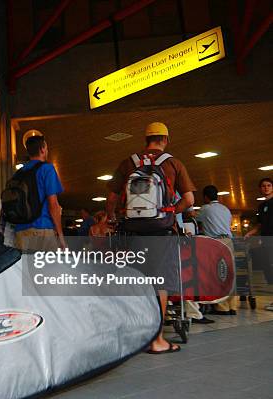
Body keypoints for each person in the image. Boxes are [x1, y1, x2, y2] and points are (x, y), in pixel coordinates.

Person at [106, 122, 195, 354]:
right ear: (165, 139)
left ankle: (137, 335)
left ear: (146, 140)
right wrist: (170, 212)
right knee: (160, 284)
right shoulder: (173, 163)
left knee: (136, 282)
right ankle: (156, 340)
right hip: (161, 233)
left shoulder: (129, 162)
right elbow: (189, 200)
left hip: (132, 232)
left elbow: (112, 197)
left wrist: (112, 218)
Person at [14, 135, 65, 251]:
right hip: (42, 228)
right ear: (42, 149)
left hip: (20, 231)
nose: (47, 151)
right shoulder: (47, 169)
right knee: (49, 268)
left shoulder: (18, 173)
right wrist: (61, 236)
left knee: (27, 269)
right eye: (46, 148)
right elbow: (53, 205)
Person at [196, 185, 237, 315]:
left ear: (205, 197)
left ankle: (222, 307)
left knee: (218, 274)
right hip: (229, 242)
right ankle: (233, 306)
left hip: (216, 243)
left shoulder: (205, 209)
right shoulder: (226, 209)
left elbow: (192, 216)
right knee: (230, 273)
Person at [245, 177, 273, 311]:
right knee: (268, 269)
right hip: (266, 242)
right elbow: (260, 224)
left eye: (269, 185)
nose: (266, 188)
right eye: (263, 186)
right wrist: (250, 233)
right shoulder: (261, 206)